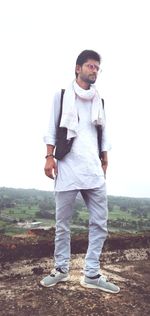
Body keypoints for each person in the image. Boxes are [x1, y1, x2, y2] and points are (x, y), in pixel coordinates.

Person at [40, 50, 120, 293]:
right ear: (78, 68)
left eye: (97, 67)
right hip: (67, 168)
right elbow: (52, 126)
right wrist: (48, 157)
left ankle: (92, 273)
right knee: (62, 224)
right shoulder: (62, 95)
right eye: (90, 66)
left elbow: (102, 133)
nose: (94, 70)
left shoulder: (99, 100)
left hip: (93, 171)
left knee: (100, 223)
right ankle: (61, 269)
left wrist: (105, 160)